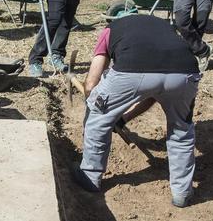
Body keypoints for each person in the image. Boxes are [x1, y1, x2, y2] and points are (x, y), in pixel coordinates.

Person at [72, 14, 203, 207]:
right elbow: (154, 92)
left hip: (133, 70)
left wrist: (96, 106)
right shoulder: (164, 27)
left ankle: (90, 175)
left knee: (97, 118)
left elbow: (92, 83)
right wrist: (122, 119)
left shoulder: (110, 30)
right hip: (185, 73)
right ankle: (182, 193)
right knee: (181, 131)